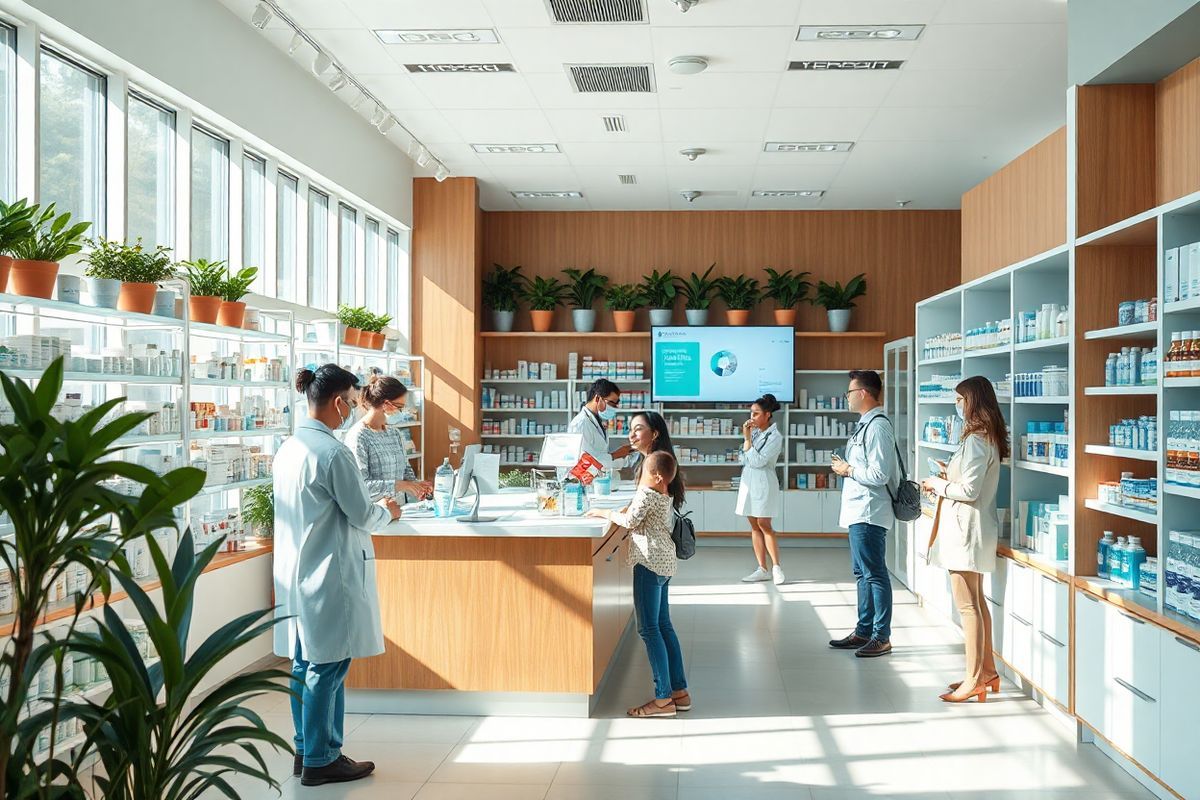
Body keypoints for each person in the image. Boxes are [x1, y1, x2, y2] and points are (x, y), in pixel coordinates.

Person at [273, 364, 402, 787]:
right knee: (327, 666)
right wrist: (390, 510)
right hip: (329, 572)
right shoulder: (332, 452)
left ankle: (305, 750)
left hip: (298, 571)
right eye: (350, 400)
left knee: (304, 663)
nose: (352, 409)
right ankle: (324, 759)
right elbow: (362, 513)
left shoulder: (290, 448)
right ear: (338, 402)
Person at [922, 376, 1006, 703]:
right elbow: (973, 480)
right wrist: (949, 473)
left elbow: (969, 491)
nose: (956, 406)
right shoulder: (987, 436)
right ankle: (987, 672)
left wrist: (936, 484)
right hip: (976, 528)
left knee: (967, 607)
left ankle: (973, 680)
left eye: (959, 400)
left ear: (972, 401)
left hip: (964, 531)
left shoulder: (976, 439)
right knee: (978, 603)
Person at [588, 450, 689, 717]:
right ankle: (680, 692)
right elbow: (641, 515)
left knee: (648, 629)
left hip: (648, 563)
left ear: (656, 477)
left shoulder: (647, 493)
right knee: (664, 626)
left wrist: (604, 512)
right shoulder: (665, 494)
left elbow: (631, 520)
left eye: (643, 472)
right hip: (665, 563)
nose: (639, 477)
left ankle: (663, 699)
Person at [829, 370, 898, 658]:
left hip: (870, 511)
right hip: (859, 510)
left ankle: (882, 636)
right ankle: (864, 630)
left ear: (864, 393)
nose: (846, 397)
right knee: (862, 573)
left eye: (849, 392)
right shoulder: (864, 425)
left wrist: (848, 470)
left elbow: (880, 474)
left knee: (874, 574)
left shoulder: (878, 426)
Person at [344, 374, 433, 502]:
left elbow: (406, 471)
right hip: (375, 513)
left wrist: (417, 486)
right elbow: (360, 486)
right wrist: (400, 485)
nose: (402, 412)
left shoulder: (394, 433)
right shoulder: (358, 436)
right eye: (400, 407)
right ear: (386, 404)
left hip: (399, 511)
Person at [737, 394, 786, 585]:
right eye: (751, 413)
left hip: (764, 481)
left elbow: (757, 461)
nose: (752, 417)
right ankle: (762, 569)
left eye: (756, 414)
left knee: (764, 524)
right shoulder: (756, 433)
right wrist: (749, 441)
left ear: (767, 415)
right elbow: (745, 459)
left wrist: (747, 440)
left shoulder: (775, 437)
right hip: (749, 481)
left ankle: (776, 568)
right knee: (754, 525)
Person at [568, 378, 633, 470]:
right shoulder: (581, 424)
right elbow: (585, 461)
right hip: (586, 479)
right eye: (612, 403)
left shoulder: (596, 420)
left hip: (598, 477)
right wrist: (616, 455)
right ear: (598, 398)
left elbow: (599, 455)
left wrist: (624, 459)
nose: (614, 408)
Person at [626, 410, 686, 508]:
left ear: (654, 434)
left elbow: (640, 510)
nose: (631, 435)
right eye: (630, 430)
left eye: (638, 429)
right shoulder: (649, 460)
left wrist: (607, 513)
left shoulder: (656, 465)